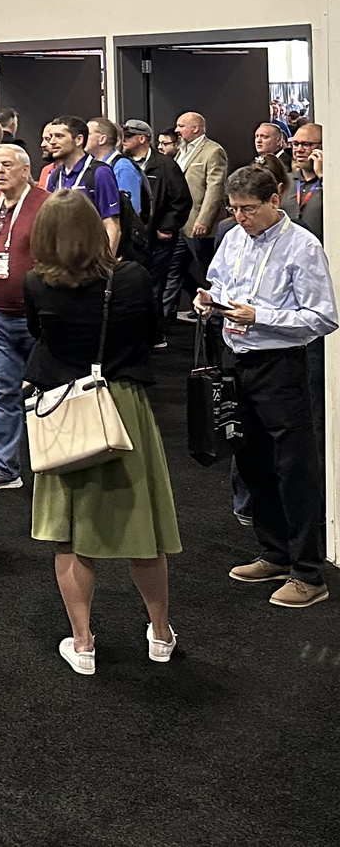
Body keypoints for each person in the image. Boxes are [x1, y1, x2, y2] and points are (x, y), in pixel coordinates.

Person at [23, 192, 181, 673]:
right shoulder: (132, 278)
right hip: (123, 408)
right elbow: (151, 336)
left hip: (64, 412)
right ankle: (159, 633)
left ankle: (83, 642)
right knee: (144, 530)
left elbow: (39, 337)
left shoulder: (36, 284)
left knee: (69, 536)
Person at [196, 165, 337, 608]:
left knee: (294, 467)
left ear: (275, 200)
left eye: (249, 209)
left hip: (280, 365)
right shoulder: (233, 237)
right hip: (237, 360)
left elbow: (323, 317)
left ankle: (308, 572)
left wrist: (262, 317)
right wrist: (209, 301)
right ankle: (274, 552)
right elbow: (219, 280)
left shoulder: (303, 247)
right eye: (234, 209)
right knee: (251, 459)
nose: (240, 217)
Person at [0, 144, 42, 492]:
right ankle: (5, 466)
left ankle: (56, 461)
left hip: (38, 316)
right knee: (1, 390)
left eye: (6, 165)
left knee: (50, 391)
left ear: (24, 169)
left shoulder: (44, 203)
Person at [120, 119, 193, 326]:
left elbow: (181, 199)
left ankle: (156, 331)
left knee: (155, 285)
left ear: (142, 139)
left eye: (128, 137)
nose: (123, 141)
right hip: (133, 238)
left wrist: (167, 227)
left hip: (158, 237)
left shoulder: (165, 165)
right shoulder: (122, 164)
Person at [41, 116, 122, 253]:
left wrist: (107, 266)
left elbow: (112, 225)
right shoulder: (55, 175)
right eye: (50, 137)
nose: (52, 142)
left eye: (59, 136)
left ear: (78, 140)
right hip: (61, 256)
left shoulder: (100, 173)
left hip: (90, 258)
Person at [175, 111, 230, 307]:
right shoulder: (181, 151)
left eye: (181, 126)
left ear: (195, 128)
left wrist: (204, 219)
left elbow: (215, 188)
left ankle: (216, 316)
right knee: (175, 272)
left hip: (200, 226)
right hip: (180, 223)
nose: (177, 130)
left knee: (208, 272)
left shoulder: (213, 151)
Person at [87, 116, 144, 219]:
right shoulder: (92, 167)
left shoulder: (122, 168)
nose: (83, 137)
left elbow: (129, 212)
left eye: (88, 134)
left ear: (102, 139)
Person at [284, 121, 322, 241]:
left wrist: (322, 176)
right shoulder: (285, 181)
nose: (299, 150)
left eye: (306, 144)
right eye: (295, 144)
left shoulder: (331, 183)